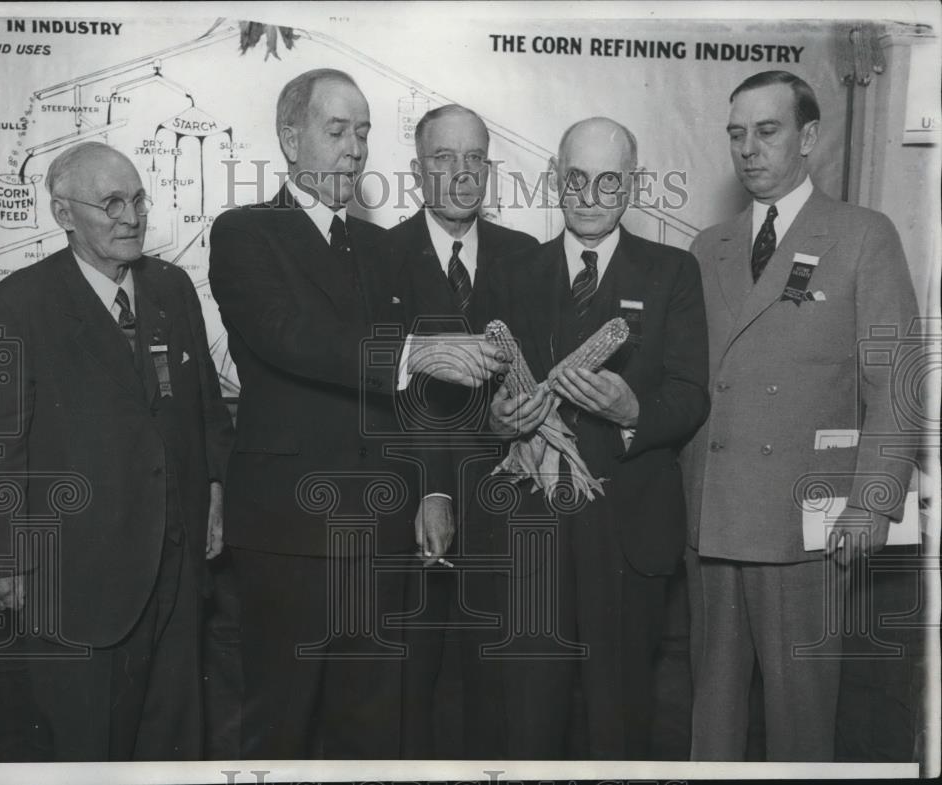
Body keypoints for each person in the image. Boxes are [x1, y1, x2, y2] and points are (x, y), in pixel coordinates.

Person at [207, 68, 507, 759]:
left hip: (382, 529)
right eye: (336, 130)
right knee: (279, 725)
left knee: (373, 730)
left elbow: (418, 402)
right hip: (289, 530)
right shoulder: (245, 232)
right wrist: (415, 351)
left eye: (363, 132)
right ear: (289, 137)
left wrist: (432, 487)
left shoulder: (381, 248)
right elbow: (288, 337)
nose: (354, 148)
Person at [683, 70, 920, 761]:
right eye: (736, 134)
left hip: (807, 525)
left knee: (801, 729)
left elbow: (897, 382)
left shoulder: (862, 236)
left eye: (767, 130)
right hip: (713, 518)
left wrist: (873, 503)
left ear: (809, 136)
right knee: (712, 722)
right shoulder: (709, 245)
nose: (748, 149)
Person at [0, 141, 234, 761]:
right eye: (111, 203)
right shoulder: (16, 306)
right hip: (76, 581)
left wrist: (216, 493)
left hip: (176, 565)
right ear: (64, 214)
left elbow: (206, 412)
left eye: (138, 199)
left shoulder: (171, 287)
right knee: (88, 750)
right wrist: (4, 561)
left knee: (174, 746)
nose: (131, 217)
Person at [481, 117, 710, 759]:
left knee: (621, 720)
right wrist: (498, 420)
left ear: (632, 186)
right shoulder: (511, 273)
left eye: (608, 180)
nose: (589, 194)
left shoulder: (673, 272)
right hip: (531, 529)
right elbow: (476, 401)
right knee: (528, 719)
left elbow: (691, 394)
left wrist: (634, 408)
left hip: (627, 530)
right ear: (555, 179)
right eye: (576, 178)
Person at [384, 103, 538, 758]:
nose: (463, 172)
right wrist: (432, 487)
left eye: (475, 157)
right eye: (445, 158)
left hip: (504, 511)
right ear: (417, 172)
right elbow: (373, 392)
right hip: (409, 508)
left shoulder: (526, 256)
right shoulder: (379, 255)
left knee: (496, 696)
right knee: (406, 696)